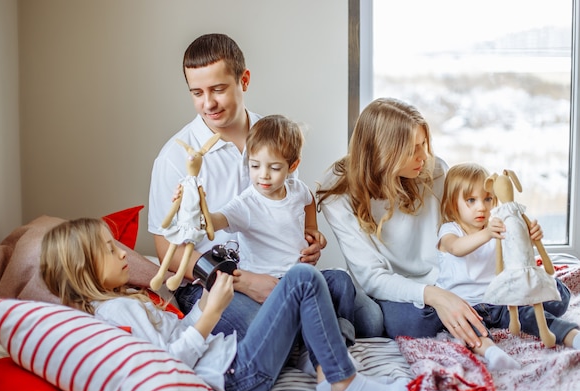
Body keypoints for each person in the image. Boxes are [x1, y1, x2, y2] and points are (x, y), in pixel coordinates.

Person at [148, 33, 382, 339]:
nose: (208, 103)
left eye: (218, 89)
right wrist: (242, 281)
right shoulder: (176, 157)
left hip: (281, 272)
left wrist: (308, 240)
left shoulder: (274, 134)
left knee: (371, 319)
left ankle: (313, 330)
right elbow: (167, 248)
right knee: (262, 327)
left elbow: (294, 201)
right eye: (197, 93)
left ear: (243, 80)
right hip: (215, 284)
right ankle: (319, 334)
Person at [39, 218, 409, 391]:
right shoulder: (118, 312)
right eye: (109, 249)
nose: (123, 253)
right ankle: (340, 380)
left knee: (331, 289)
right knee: (302, 280)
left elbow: (174, 338)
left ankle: (316, 359)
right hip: (236, 374)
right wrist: (211, 314)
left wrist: (208, 297)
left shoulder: (121, 302)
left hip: (229, 359)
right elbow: (167, 365)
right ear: (81, 269)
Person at [316, 97, 574, 351]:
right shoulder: (338, 192)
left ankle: (476, 310)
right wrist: (437, 297)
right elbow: (373, 278)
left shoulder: (434, 170)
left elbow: (466, 223)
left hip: (449, 278)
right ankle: (480, 311)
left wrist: (512, 230)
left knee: (557, 298)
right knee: (409, 323)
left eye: (423, 144)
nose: (423, 156)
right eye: (411, 150)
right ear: (384, 151)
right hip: (397, 289)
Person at [437, 162, 580, 357]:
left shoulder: (497, 225)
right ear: (453, 203)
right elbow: (456, 248)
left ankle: (572, 335)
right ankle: (493, 354)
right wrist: (487, 233)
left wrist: (530, 236)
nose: (481, 207)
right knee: (468, 329)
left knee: (532, 315)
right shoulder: (450, 230)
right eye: (471, 200)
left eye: (487, 199)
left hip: (499, 301)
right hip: (465, 305)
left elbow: (516, 253)